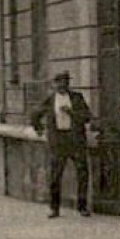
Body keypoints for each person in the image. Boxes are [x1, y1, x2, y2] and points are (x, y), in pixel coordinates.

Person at [31, 70, 94, 218]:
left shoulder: (77, 98)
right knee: (55, 175)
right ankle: (54, 208)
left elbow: (87, 117)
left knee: (82, 173)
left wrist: (72, 113)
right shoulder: (50, 100)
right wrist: (38, 128)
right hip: (58, 141)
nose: (62, 85)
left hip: (76, 140)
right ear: (54, 84)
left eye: (65, 82)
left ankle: (82, 206)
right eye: (59, 82)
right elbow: (35, 113)